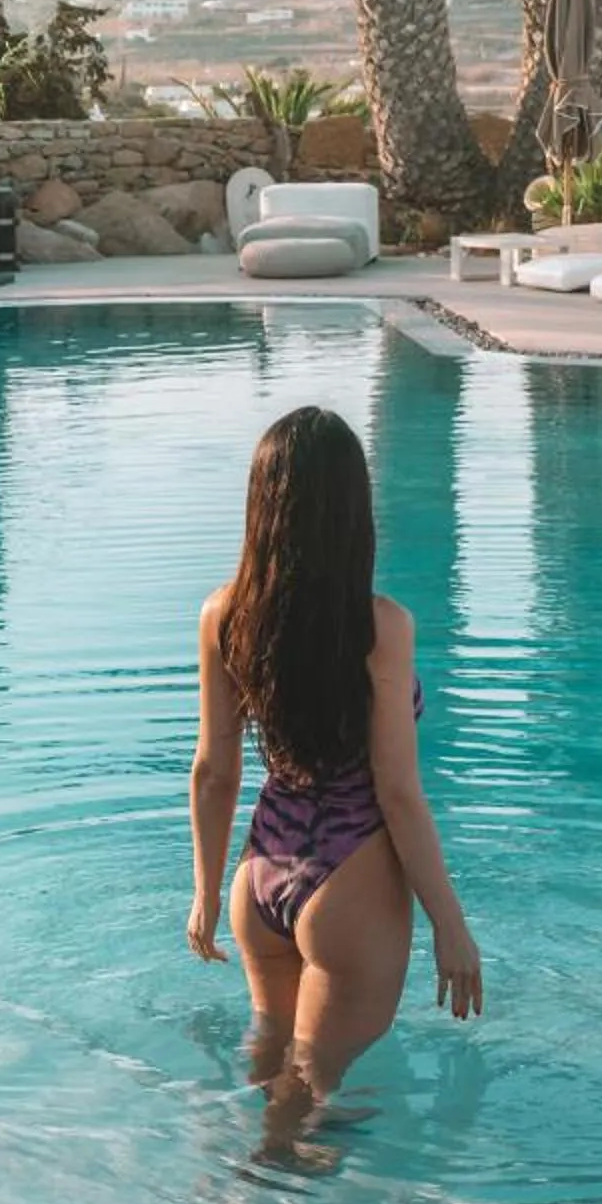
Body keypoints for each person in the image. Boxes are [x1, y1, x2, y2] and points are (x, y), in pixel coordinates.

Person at [188, 405, 483, 1155]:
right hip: (346, 879)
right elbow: (397, 793)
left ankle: (242, 1185)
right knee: (318, 1096)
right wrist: (451, 924)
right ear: (354, 510)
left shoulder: (226, 615)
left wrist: (202, 894)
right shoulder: (379, 626)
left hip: (260, 878)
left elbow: (215, 772)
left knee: (272, 1059)